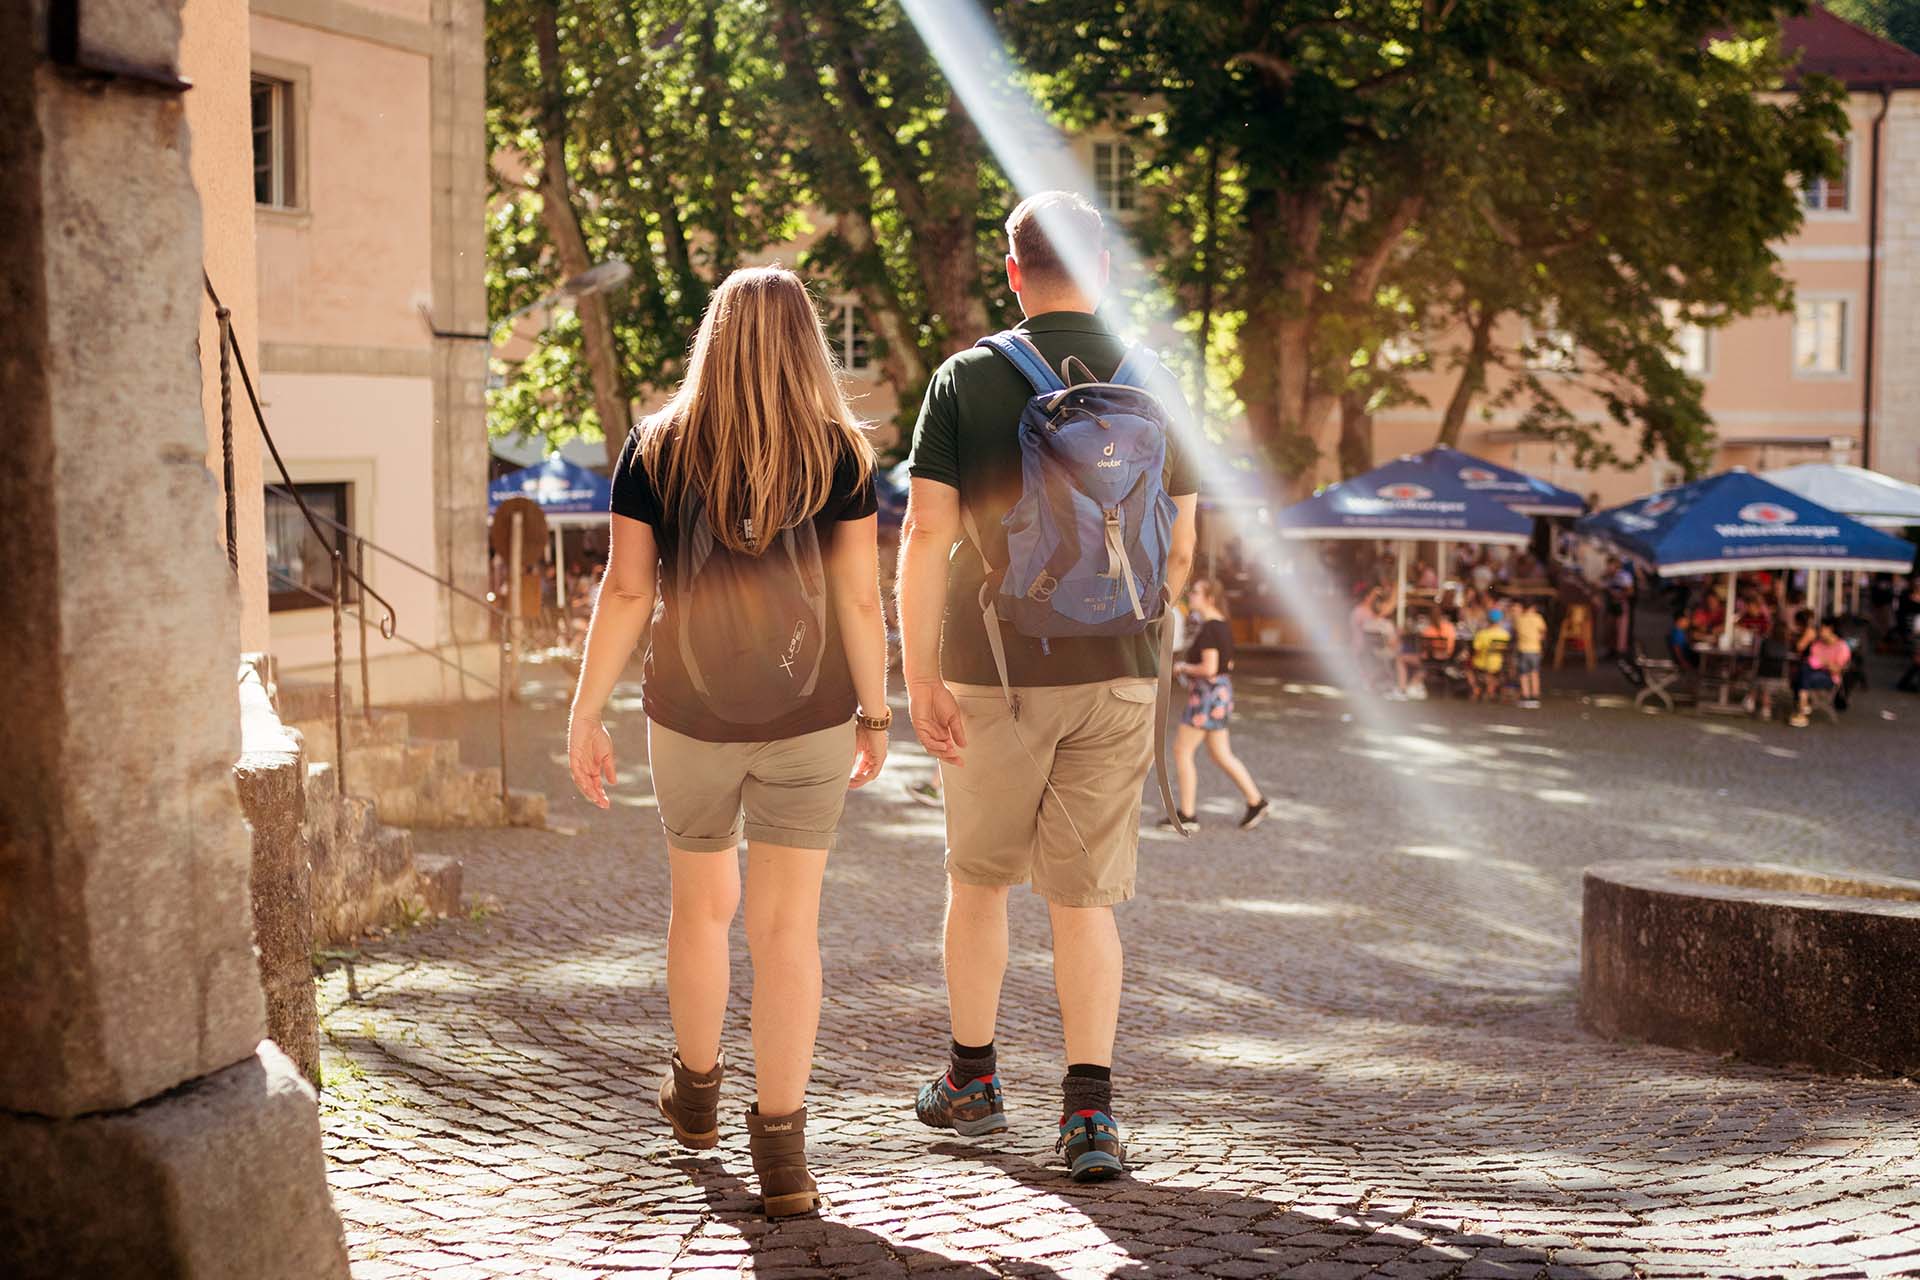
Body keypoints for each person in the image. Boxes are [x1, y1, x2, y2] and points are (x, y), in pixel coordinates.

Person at [565, 266, 889, 1219]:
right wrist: (875, 713)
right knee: (788, 931)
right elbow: (859, 600)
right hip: (812, 715)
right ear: (806, 343)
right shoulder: (839, 454)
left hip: (688, 716)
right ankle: (784, 1156)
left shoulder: (653, 448)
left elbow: (627, 592)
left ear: (712, 336)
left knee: (702, 910)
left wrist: (586, 711)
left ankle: (697, 1098)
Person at [896, 191, 1199, 1183]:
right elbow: (1182, 546)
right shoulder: (1158, 377)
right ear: (1105, 265)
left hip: (994, 669)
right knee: (1085, 899)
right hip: (1118, 669)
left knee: (978, 881)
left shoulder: (967, 378)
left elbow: (924, 535)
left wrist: (919, 674)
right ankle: (1090, 1118)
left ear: (1014, 271)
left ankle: (974, 1081)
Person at [1163, 579, 1269, 829]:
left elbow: (1209, 667)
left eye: (1197, 593)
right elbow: (1227, 665)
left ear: (1210, 598)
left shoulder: (1211, 628)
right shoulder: (1222, 625)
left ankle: (1187, 815)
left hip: (1206, 696)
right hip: (1218, 695)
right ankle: (1256, 801)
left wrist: (1182, 667)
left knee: (1182, 750)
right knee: (1220, 753)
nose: (1191, 596)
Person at [1790, 615, 1851, 728]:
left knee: (1801, 676)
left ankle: (1802, 708)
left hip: (1829, 677)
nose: (1820, 631)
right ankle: (1803, 706)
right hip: (1812, 674)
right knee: (1804, 671)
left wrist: (1824, 663)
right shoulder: (1818, 644)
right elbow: (1809, 658)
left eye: (1822, 628)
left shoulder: (1842, 647)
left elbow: (1836, 669)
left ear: (1830, 629)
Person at [1470, 607, 1511, 701]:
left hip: (1483, 662)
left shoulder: (1483, 634)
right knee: (1491, 672)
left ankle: (1476, 688)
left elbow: (1476, 649)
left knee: (1468, 667)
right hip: (1500, 663)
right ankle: (1491, 688)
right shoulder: (1505, 634)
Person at [1512, 598, 1546, 709]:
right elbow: (1543, 632)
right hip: (1535, 649)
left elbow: (1516, 632)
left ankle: (1526, 696)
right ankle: (1535, 696)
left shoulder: (1520, 619)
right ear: (1534, 608)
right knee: (1534, 673)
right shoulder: (1538, 618)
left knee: (1523, 674)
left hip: (1523, 649)